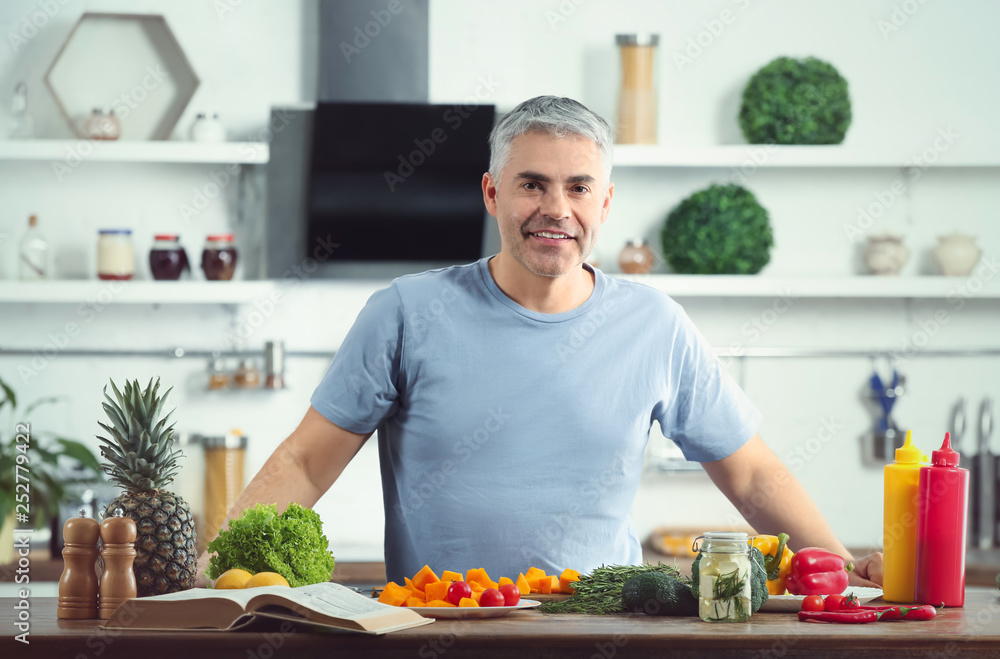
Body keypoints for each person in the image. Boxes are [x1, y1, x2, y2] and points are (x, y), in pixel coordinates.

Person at [195, 96, 883, 587]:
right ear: (493, 194)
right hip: (441, 627)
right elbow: (308, 462)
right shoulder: (405, 311)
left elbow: (752, 473)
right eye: (533, 184)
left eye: (579, 187)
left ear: (604, 204)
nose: (557, 208)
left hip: (597, 631)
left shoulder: (656, 325)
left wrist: (843, 564)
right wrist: (216, 565)